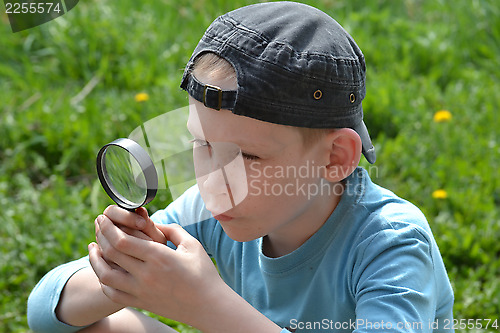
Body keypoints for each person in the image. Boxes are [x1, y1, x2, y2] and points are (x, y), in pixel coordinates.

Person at [27, 2, 455, 332]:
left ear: (335, 158)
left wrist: (206, 305)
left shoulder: (390, 242)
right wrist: (119, 275)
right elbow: (44, 311)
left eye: (248, 157)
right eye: (201, 144)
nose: (213, 183)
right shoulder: (210, 211)